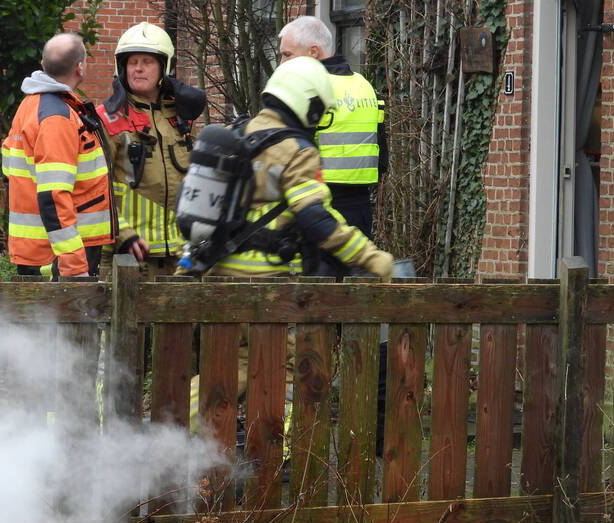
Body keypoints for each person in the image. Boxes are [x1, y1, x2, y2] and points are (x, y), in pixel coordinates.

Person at [182, 56, 393, 436]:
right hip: (265, 283)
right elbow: (317, 219)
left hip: (219, 277)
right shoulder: (296, 150)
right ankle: (281, 458)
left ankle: (167, 433)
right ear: (308, 103)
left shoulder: (240, 131)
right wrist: (372, 258)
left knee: (231, 368)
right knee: (290, 368)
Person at [278, 16, 386, 279]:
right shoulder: (363, 86)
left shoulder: (307, 89)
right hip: (360, 209)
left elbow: (283, 156)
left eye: (287, 55)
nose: (281, 64)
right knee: (354, 299)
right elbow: (381, 157)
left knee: (317, 300)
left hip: (317, 210)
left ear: (313, 52)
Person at [98, 22, 207, 278]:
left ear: (163, 67)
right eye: (132, 61)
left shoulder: (181, 117)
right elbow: (94, 187)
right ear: (122, 67)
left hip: (179, 257)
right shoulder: (108, 119)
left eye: (147, 61)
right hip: (127, 257)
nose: (138, 68)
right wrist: (122, 235)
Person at [2, 33, 114, 278]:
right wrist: (74, 267)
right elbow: (53, 196)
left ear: (42, 66)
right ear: (80, 67)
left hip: (41, 251)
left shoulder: (29, 106)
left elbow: (11, 170)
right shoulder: (57, 117)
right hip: (58, 257)